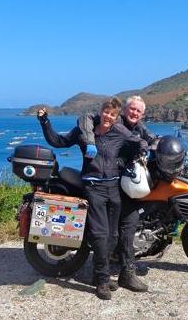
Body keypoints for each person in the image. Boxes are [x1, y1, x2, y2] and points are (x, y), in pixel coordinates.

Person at [37, 97, 147, 300]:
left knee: (113, 236)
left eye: (113, 115)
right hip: (93, 186)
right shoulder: (84, 132)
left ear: (116, 117)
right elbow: (58, 141)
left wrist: (145, 148)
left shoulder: (118, 131)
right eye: (106, 112)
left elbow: (137, 139)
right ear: (101, 111)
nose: (108, 117)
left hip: (113, 187)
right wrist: (45, 122)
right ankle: (102, 281)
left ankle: (99, 274)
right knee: (100, 235)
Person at [76, 95, 155, 292]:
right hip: (110, 183)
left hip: (123, 182)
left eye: (138, 111)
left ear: (142, 114)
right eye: (131, 109)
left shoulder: (138, 127)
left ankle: (103, 271)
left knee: (112, 232)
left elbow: (150, 139)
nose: (134, 113)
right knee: (126, 224)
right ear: (124, 110)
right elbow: (86, 118)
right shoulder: (114, 122)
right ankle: (126, 274)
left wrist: (159, 146)